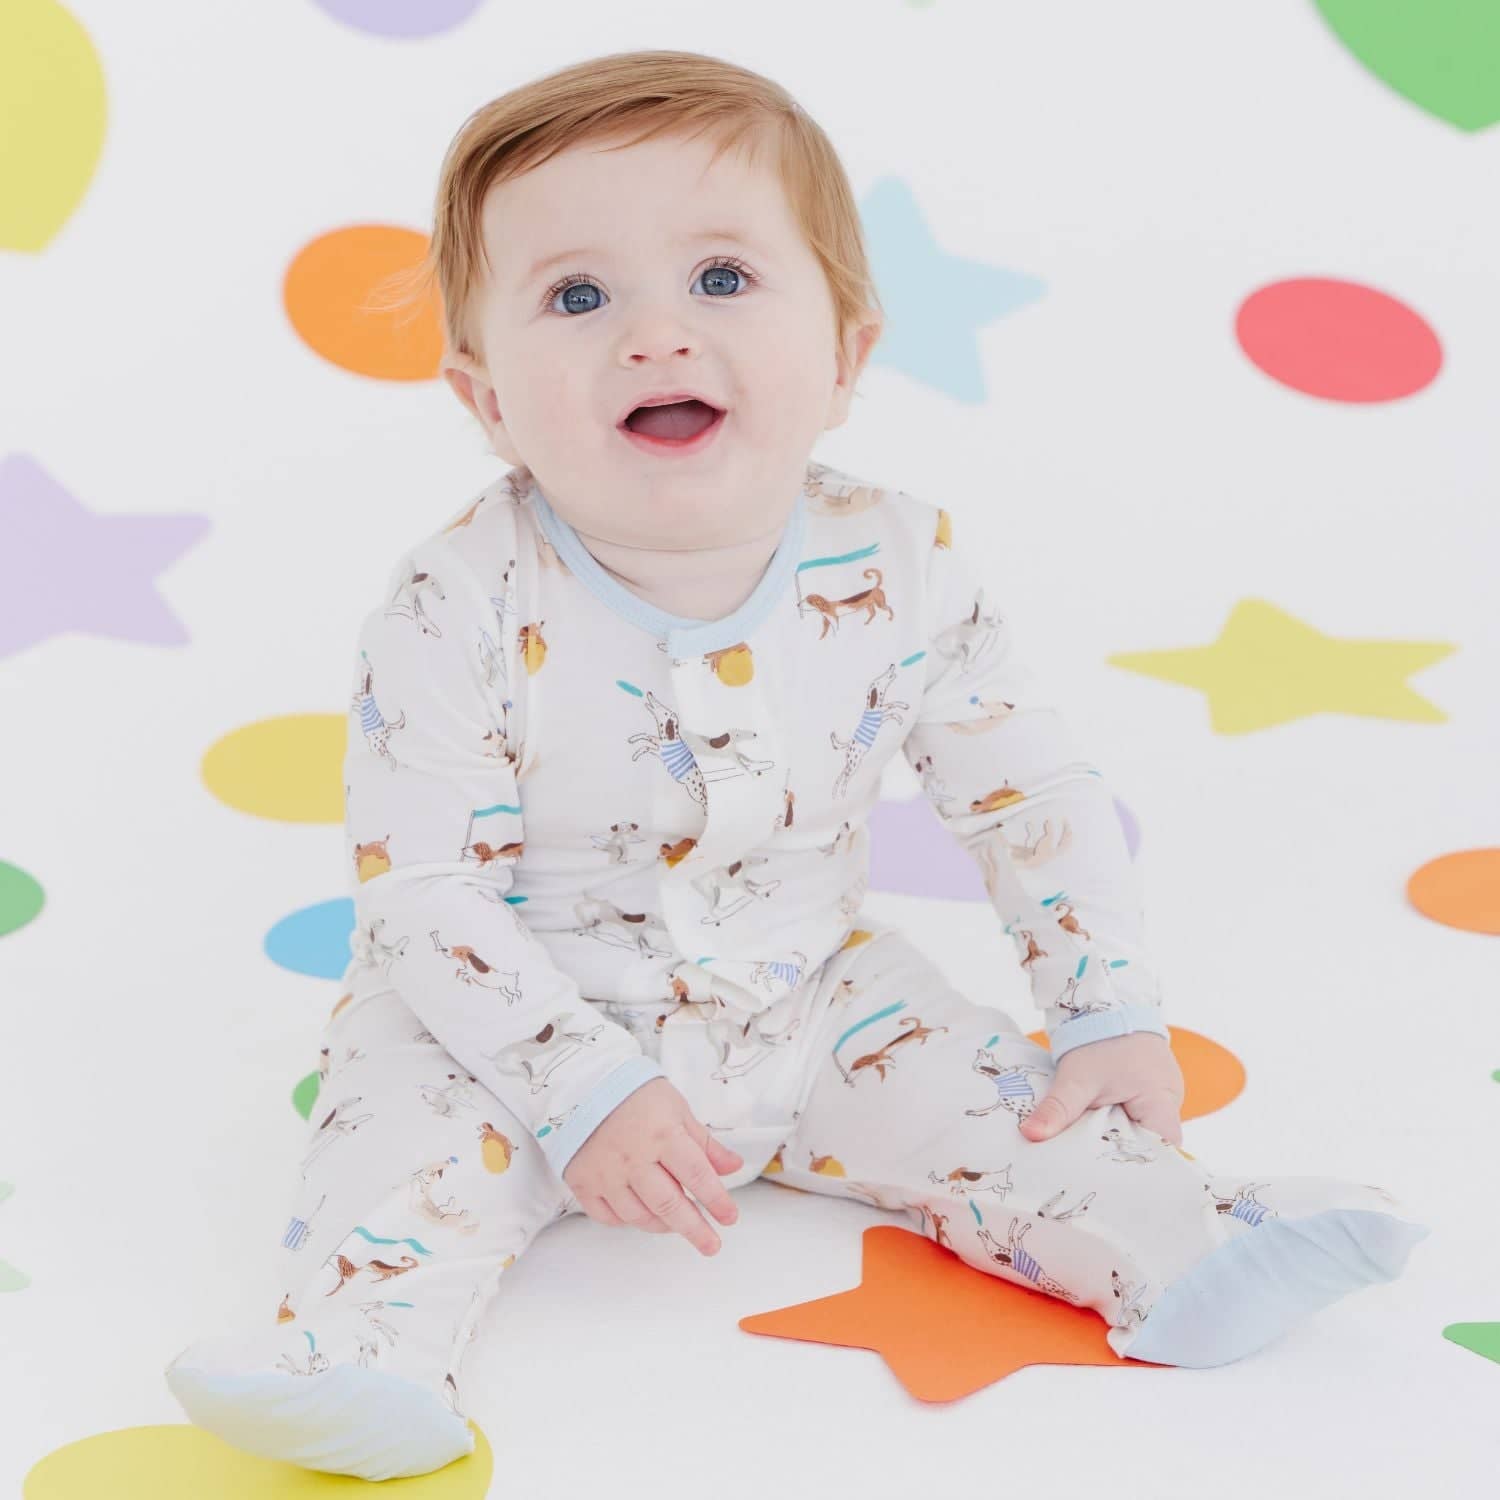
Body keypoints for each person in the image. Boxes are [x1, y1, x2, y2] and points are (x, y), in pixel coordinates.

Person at [164, 49, 1430, 1482]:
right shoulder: (453, 599)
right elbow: (425, 894)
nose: (656, 335)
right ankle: (361, 1358)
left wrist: (1105, 1010)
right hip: (511, 1017)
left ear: (844, 356)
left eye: (722, 278)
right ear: (488, 397)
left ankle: (1190, 1246)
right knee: (397, 1140)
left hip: (811, 993)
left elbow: (1028, 794)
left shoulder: (899, 558)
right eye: (577, 298)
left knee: (1010, 1104)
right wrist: (580, 1087)